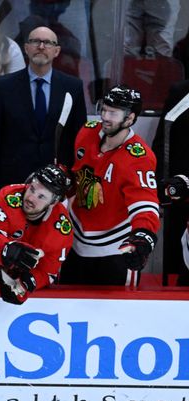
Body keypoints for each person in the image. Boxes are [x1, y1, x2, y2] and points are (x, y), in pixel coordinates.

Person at [60, 85, 160, 287]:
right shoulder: (87, 133)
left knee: (115, 317)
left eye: (113, 112)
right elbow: (75, 176)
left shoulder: (138, 157)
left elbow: (146, 205)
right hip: (75, 242)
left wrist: (143, 235)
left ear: (130, 118)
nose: (105, 116)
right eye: (104, 109)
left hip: (113, 250)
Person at [0, 26, 85, 191]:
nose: (41, 47)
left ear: (57, 51)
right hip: (11, 179)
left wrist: (76, 181)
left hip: (57, 182)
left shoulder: (73, 87)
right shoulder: (3, 86)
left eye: (48, 43)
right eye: (35, 41)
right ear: (26, 48)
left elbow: (80, 137)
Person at [0, 164, 73, 304]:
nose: (31, 198)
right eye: (32, 189)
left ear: (54, 202)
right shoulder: (8, 197)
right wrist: (7, 250)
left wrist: (25, 284)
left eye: (41, 196)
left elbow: (48, 271)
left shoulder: (60, 229)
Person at [152, 79, 189, 285]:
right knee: (178, 264)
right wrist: (160, 186)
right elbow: (162, 141)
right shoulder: (180, 91)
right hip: (180, 193)